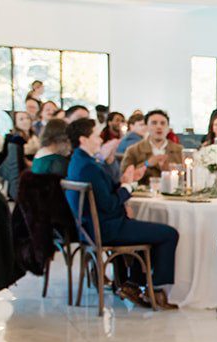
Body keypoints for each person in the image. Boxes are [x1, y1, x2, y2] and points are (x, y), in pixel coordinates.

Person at [65, 117, 179, 310]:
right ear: (83, 140)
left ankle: (133, 284)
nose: (100, 140)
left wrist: (129, 181)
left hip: (91, 228)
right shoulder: (89, 167)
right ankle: (156, 291)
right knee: (169, 234)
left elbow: (102, 194)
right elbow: (109, 204)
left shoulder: (79, 161)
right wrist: (126, 186)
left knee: (147, 228)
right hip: (107, 229)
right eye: (96, 136)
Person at [120, 109, 184, 182]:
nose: (159, 127)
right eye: (154, 123)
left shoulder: (179, 150)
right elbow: (124, 177)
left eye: (163, 123)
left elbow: (187, 177)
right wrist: (147, 163)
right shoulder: (133, 150)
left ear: (168, 128)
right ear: (146, 127)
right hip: (141, 192)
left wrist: (171, 170)